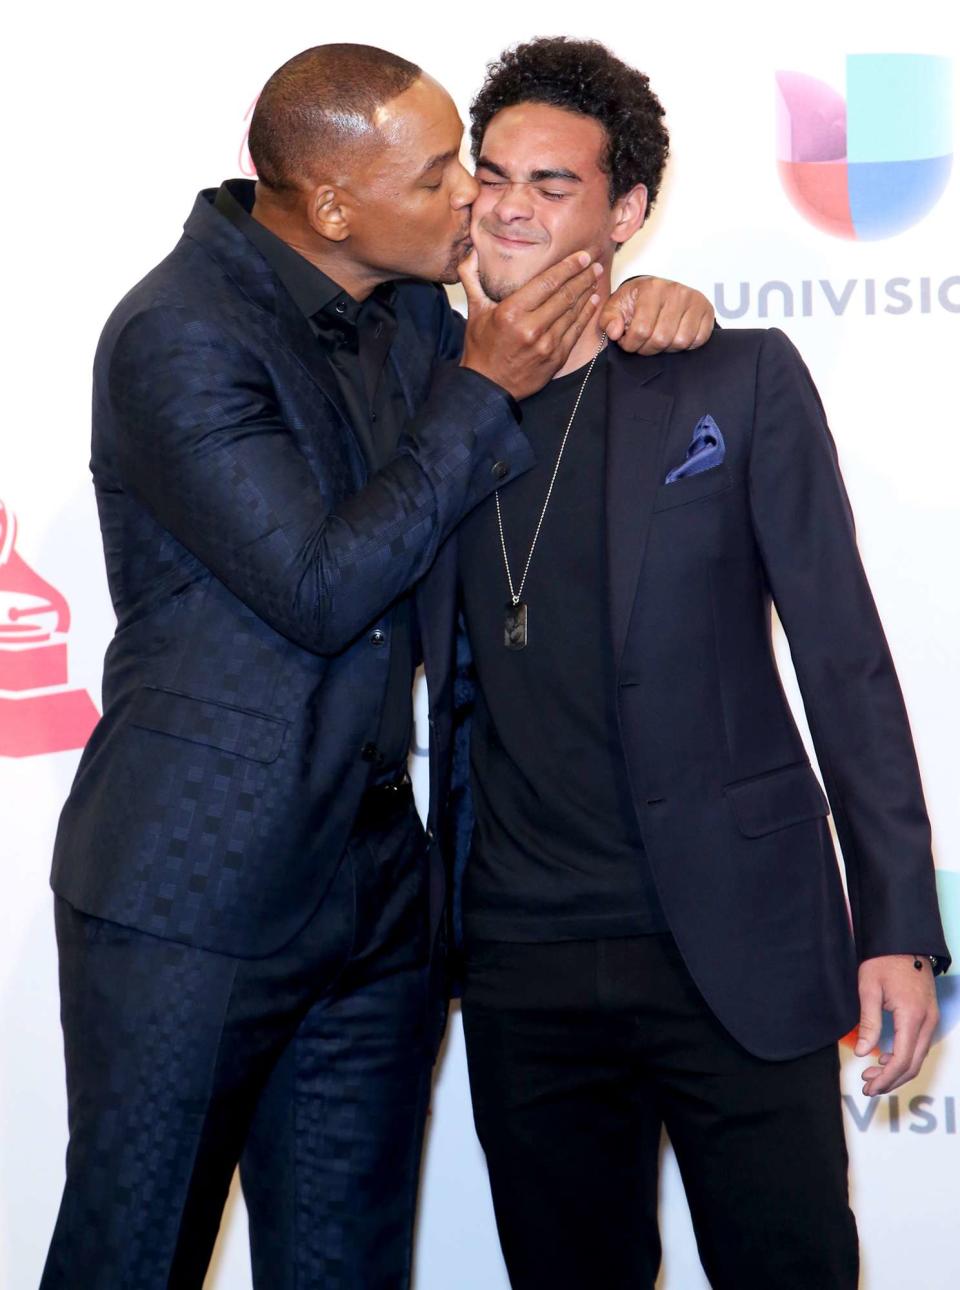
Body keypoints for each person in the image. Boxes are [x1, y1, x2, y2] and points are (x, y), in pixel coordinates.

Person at [42, 42, 714, 1290]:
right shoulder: (177, 335)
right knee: (133, 1257)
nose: (472, 194)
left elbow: (540, 326)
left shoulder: (407, 305)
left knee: (349, 1270)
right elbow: (319, 588)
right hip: (193, 894)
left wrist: (647, 302)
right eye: (440, 173)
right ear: (336, 205)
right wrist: (477, 390)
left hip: (375, 907)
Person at [452, 37, 950, 1290]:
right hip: (523, 960)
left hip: (738, 938)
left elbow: (845, 658)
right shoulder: (429, 400)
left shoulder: (734, 376)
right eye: (493, 172)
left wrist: (897, 920)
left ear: (625, 212)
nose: (511, 203)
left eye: (553, 184)